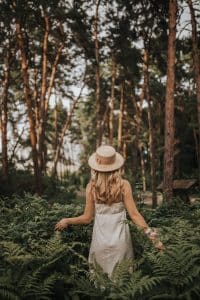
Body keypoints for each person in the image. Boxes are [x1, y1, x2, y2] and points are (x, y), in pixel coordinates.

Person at [55, 145, 164, 277]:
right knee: (122, 281)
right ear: (116, 166)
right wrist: (152, 237)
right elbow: (135, 215)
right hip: (121, 241)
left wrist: (67, 220)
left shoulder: (91, 187)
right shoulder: (124, 185)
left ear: (95, 166)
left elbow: (87, 218)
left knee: (100, 281)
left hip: (99, 241)